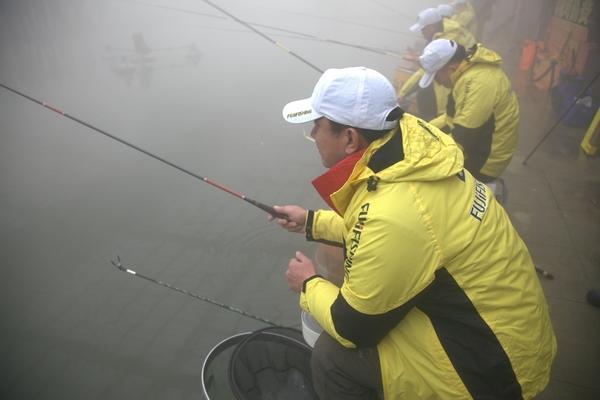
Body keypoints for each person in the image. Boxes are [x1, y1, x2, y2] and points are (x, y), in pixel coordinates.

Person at [274, 66, 556, 399]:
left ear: (350, 138)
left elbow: (353, 326)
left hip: (492, 370)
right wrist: (312, 222)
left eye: (316, 127)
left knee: (332, 357)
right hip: (514, 339)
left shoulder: (395, 209)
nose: (313, 136)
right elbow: (391, 234)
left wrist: (307, 283)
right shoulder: (411, 154)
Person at [419, 39, 519, 183]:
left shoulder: (479, 83)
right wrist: (421, 129)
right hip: (479, 142)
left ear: (451, 69)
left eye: (437, 77)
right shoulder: (469, 73)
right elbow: (450, 119)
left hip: (485, 162)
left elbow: (462, 139)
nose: (438, 83)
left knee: (424, 175)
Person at [397, 7, 476, 121]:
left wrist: (403, 93)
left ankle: (437, 116)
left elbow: (427, 69)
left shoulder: (447, 39)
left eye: (423, 30)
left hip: (461, 80)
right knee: (425, 91)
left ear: (431, 27)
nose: (422, 33)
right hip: (460, 75)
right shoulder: (448, 31)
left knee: (426, 94)